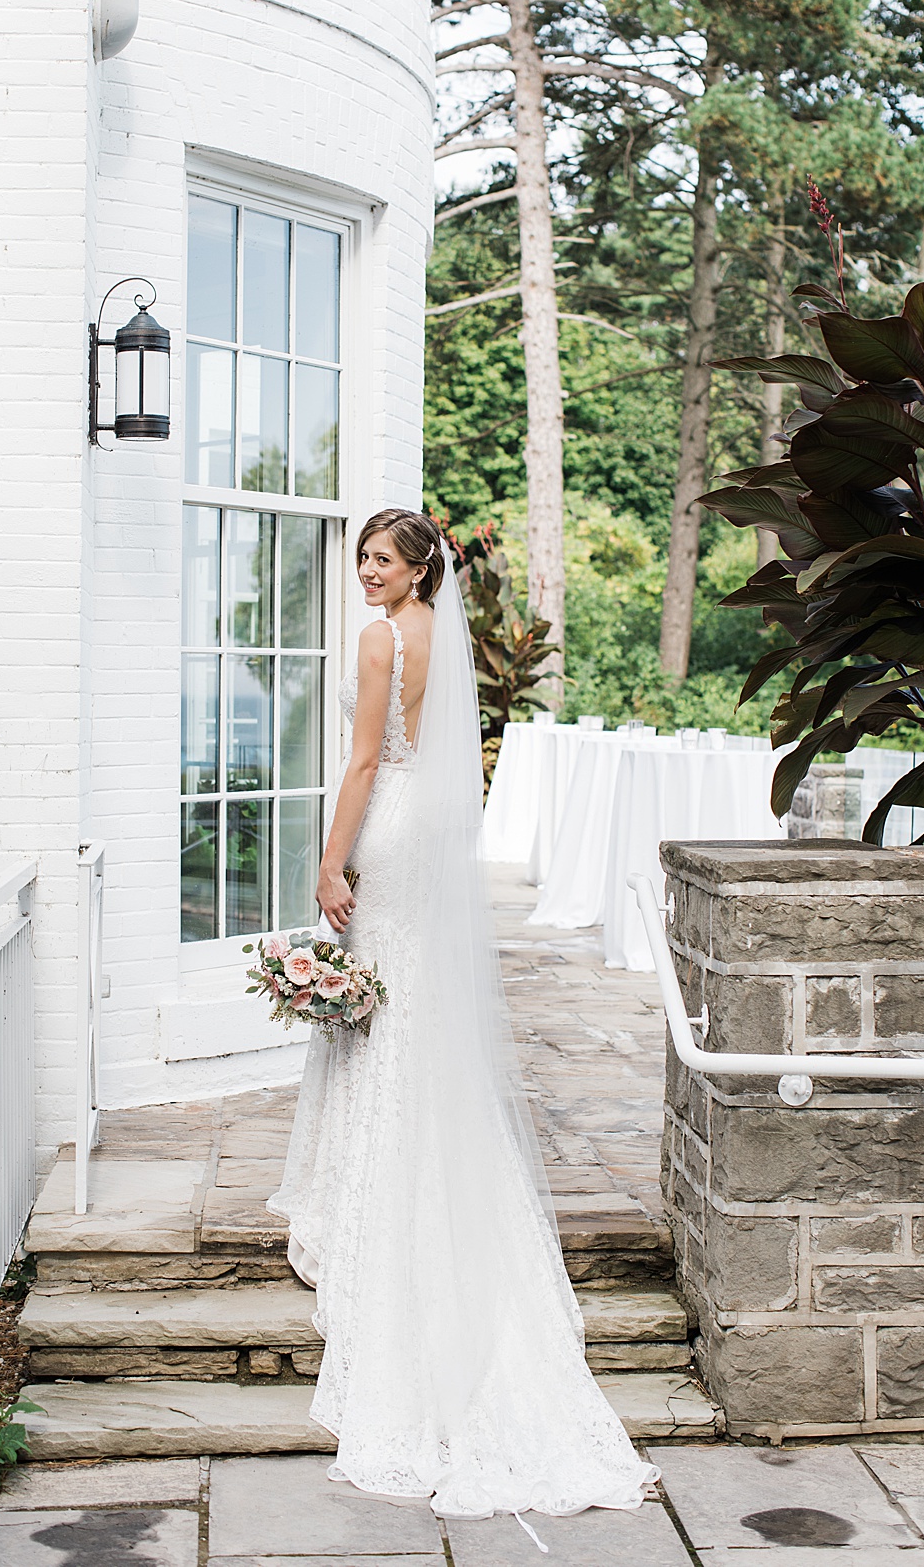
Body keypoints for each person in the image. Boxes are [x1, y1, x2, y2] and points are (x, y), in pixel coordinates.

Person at [269, 508, 659, 1528]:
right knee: (415, 1001)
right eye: (361, 556)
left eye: (382, 559)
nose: (365, 571)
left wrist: (327, 857)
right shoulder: (447, 634)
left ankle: (372, 1184)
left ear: (415, 569)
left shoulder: (379, 637)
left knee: (380, 991)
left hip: (390, 826)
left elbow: (361, 762)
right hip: (438, 828)